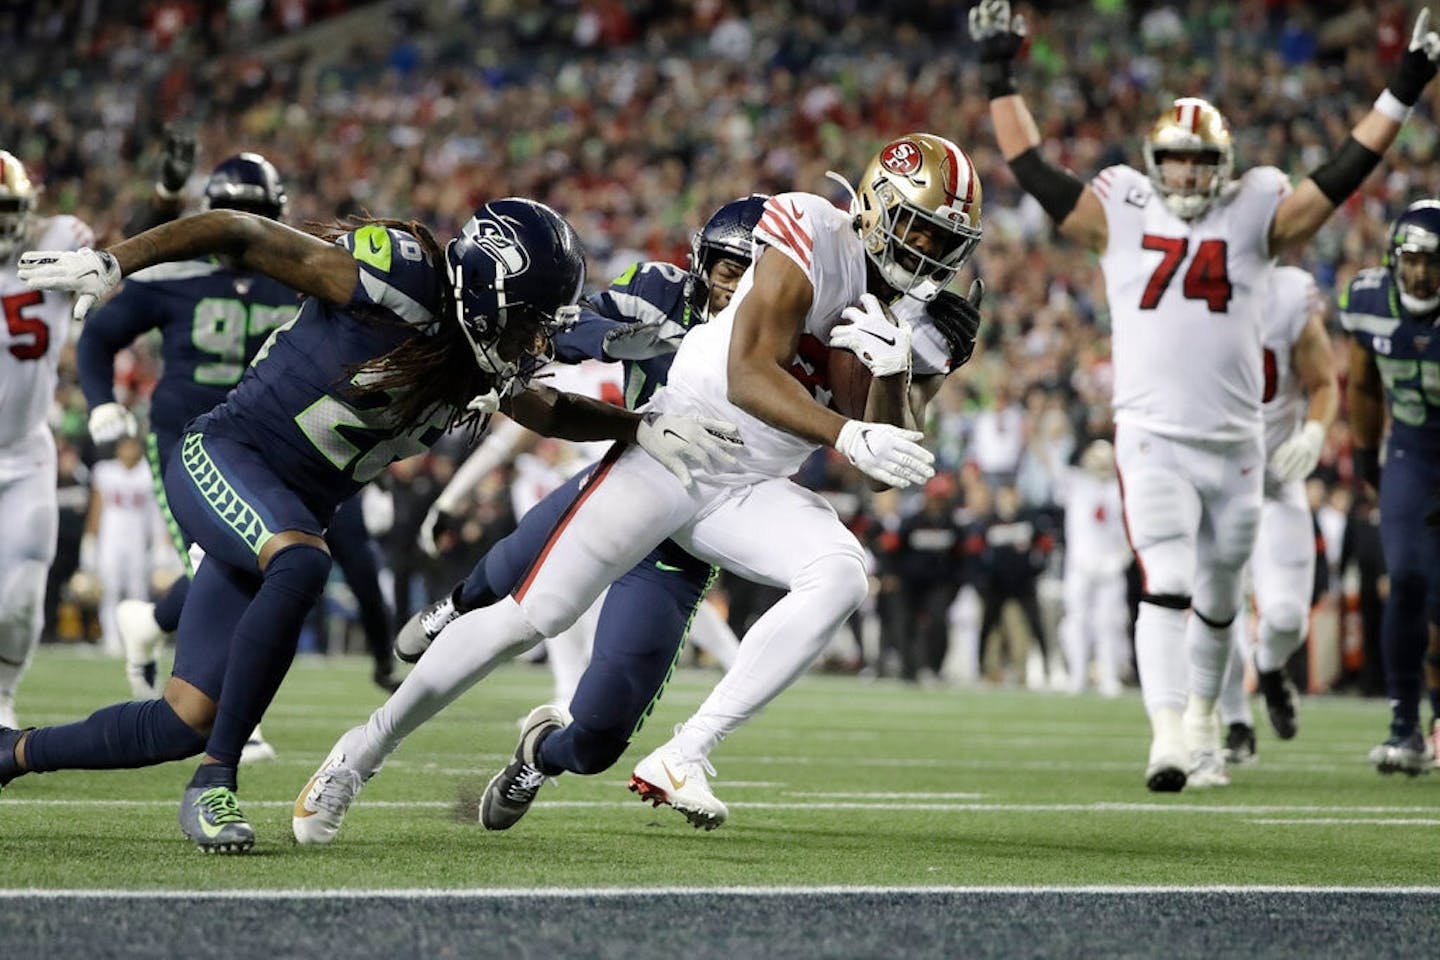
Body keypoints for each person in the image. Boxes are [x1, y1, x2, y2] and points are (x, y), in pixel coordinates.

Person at [290, 134, 984, 840]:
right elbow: (748, 375)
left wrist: (908, 373)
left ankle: (687, 750)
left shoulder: (918, 319)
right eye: (920, 226)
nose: (928, 250)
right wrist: (844, 432)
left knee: (839, 574)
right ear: (874, 205)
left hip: (748, 490)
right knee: (527, 618)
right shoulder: (810, 227)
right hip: (672, 449)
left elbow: (888, 453)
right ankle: (360, 751)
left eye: (945, 238)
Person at [2, 197, 737, 854]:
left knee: (179, 719)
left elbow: (543, 408)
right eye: (529, 321)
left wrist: (634, 427)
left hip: (286, 507)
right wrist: (115, 260)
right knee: (301, 563)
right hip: (226, 455)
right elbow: (238, 229)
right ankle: (214, 783)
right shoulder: (399, 281)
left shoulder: (478, 356)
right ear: (487, 294)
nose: (539, 341)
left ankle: (12, 753)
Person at [970, 0, 1440, 791]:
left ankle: (1204, 727)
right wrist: (997, 75)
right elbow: (1033, 171)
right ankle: (1165, 736)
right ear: (1156, 161)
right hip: (1152, 433)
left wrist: (1404, 85)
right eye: (1175, 158)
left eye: (1198, 159)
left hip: (1237, 444)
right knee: (1168, 579)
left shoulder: (1257, 213)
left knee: (1223, 600)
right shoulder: (1119, 212)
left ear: (1221, 164)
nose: (1187, 172)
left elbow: (1341, 175)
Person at [78, 151, 405, 703]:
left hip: (280, 442)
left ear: (273, 216)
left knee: (334, 554)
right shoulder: (178, 276)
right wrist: (98, 401)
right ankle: (222, 707)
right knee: (228, 562)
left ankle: (157, 625)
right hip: (191, 439)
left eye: (247, 214)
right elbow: (100, 334)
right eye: (228, 213)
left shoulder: (300, 275)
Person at [1217, 266, 1337, 766]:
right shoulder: (1183, 284)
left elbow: (1325, 383)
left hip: (1274, 480)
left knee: (1287, 615)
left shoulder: (1288, 293)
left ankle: (1268, 667)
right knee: (1214, 611)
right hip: (1215, 482)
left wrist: (1312, 434)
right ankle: (1235, 723)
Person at [1342, 198, 1440, 776]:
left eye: (1434, 261)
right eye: (1412, 259)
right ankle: (1405, 726)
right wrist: (1363, 458)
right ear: (1393, 259)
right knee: (1402, 581)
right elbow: (1361, 384)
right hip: (1409, 450)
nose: (1422, 273)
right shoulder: (1369, 299)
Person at [0, 149, 94, 729]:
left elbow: (122, 255)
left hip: (24, 453)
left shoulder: (56, 243)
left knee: (21, 595)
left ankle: (3, 696)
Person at [83, 434, 168, 658]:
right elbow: (96, 507)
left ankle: (137, 638)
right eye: (126, 447)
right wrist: (90, 541)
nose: (129, 451)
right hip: (110, 540)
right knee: (109, 589)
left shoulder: (147, 474)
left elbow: (156, 514)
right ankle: (111, 638)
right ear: (118, 449)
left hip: (137, 541)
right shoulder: (105, 471)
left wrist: (161, 545)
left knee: (137, 592)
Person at [1059, 439, 1130, 699]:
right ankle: (1076, 675)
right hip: (1080, 565)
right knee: (1077, 621)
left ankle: (1109, 676)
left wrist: (1123, 557)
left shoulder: (1122, 488)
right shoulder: (1076, 483)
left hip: (1111, 566)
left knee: (1110, 623)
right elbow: (1053, 463)